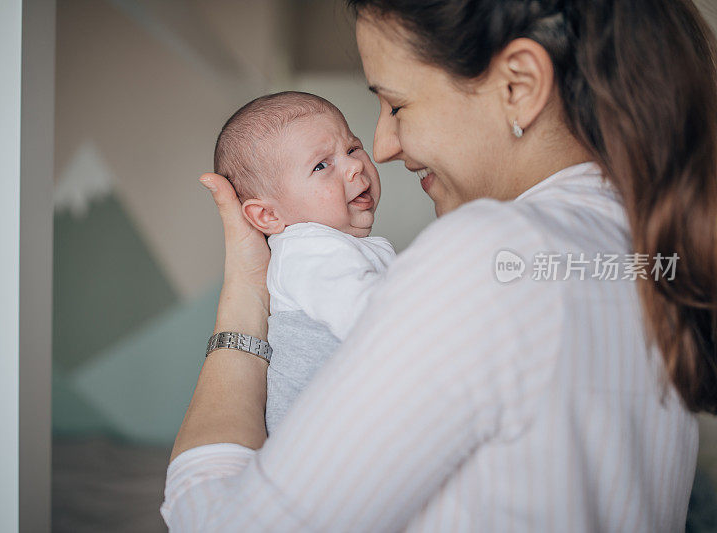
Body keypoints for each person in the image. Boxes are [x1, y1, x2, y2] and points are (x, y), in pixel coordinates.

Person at [162, 0, 717, 530]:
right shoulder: (643, 254)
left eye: (397, 105)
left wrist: (244, 294)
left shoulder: (488, 256)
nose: (378, 148)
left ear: (519, 87)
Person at [212, 91, 396, 434]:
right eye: (321, 165)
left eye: (352, 148)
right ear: (267, 214)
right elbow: (373, 318)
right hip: (318, 441)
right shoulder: (307, 250)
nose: (356, 165)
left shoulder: (336, 246)